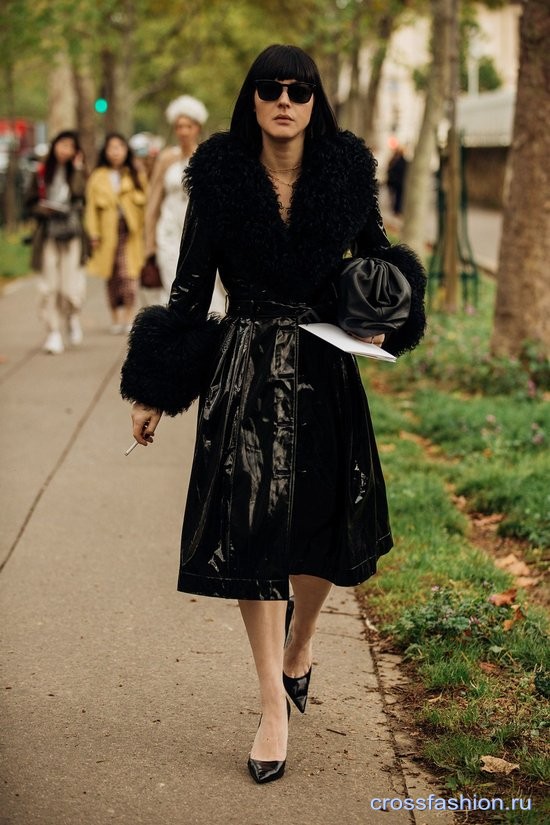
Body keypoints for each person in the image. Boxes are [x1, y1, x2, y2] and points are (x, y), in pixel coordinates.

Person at [121, 45, 426, 784]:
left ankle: (302, 641)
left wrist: (385, 313)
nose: (284, 100)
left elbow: (377, 262)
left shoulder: (347, 175)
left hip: (326, 366)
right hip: (246, 370)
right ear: (251, 100)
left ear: (315, 101)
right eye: (270, 88)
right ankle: (270, 706)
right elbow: (191, 290)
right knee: (254, 536)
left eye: (298, 89)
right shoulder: (219, 179)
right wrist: (155, 388)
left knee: (320, 535)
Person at [26, 130, 88, 354]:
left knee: (70, 286)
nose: (65, 150)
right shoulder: (42, 171)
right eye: (62, 145)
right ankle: (53, 332)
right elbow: (30, 201)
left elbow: (82, 195)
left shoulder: (77, 171)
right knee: (48, 285)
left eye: (70, 146)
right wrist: (42, 209)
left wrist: (79, 169)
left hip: (72, 234)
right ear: (54, 146)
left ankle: (71, 316)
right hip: (48, 234)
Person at [144, 95, 208, 302]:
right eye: (179, 126)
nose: (183, 131)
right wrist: (149, 241)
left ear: (197, 127)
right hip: (169, 228)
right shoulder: (166, 158)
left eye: (188, 126)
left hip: (198, 228)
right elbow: (153, 200)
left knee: (201, 285)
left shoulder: (206, 156)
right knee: (171, 282)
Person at [85, 134, 147, 334]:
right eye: (111, 147)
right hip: (107, 233)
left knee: (129, 276)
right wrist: (93, 234)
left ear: (126, 150)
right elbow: (91, 209)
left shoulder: (134, 173)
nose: (116, 151)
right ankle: (115, 318)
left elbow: (146, 202)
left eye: (119, 147)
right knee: (111, 278)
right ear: (105, 151)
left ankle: (129, 316)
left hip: (130, 233)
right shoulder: (98, 176)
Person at [386, 145, 408, 216]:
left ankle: (396, 209)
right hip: (398, 182)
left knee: (397, 196)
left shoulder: (396, 160)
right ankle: (397, 210)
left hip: (396, 181)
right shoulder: (399, 161)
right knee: (398, 196)